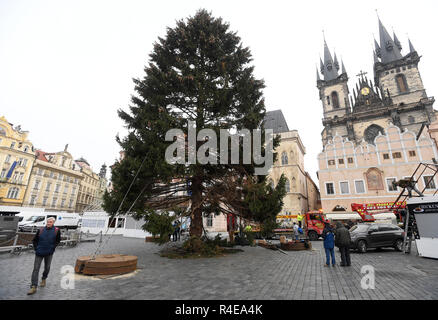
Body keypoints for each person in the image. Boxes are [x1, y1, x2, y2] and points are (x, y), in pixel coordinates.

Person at [28, 217, 61, 295]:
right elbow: (34, 240)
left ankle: (44, 278)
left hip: (49, 253)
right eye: (48, 222)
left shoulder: (56, 230)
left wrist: (53, 248)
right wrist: (36, 249)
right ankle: (33, 286)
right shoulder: (41, 230)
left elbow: (58, 240)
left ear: (53, 223)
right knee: (36, 269)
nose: (49, 223)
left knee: (47, 267)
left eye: (50, 222)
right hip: (39, 252)